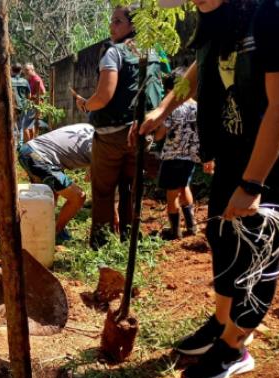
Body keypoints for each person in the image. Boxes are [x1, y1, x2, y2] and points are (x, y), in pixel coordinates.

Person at [139, 0, 279, 378]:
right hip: (240, 144)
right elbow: (202, 64)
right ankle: (221, 321)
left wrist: (251, 185)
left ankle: (234, 347)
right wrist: (163, 109)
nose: (193, 3)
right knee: (219, 233)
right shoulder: (224, 13)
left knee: (255, 253)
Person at [72, 5, 164, 249]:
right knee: (130, 189)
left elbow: (103, 97)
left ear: (132, 26)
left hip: (112, 134)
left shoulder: (114, 53)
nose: (111, 26)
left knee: (103, 191)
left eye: (117, 21)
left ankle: (101, 244)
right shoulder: (153, 52)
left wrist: (85, 105)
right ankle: (129, 238)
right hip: (141, 132)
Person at [152, 67, 205, 240]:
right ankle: (192, 226)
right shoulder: (196, 106)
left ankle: (175, 231)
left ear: (170, 90)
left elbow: (160, 134)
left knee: (172, 192)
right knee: (185, 187)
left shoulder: (172, 108)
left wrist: (154, 132)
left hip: (172, 156)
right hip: (190, 156)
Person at [18, 123, 93, 243]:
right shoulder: (99, 145)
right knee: (78, 197)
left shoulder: (88, 129)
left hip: (30, 150)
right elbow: (95, 181)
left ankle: (36, 228)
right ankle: (53, 234)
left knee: (49, 198)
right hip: (39, 157)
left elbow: (89, 176)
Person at [22, 63, 46, 141]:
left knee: (25, 127)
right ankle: (31, 146)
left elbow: (43, 93)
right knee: (30, 127)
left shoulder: (36, 79)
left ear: (32, 70)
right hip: (31, 105)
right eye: (24, 70)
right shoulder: (30, 79)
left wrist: (32, 98)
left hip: (34, 105)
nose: (25, 72)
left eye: (27, 70)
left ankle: (26, 146)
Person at [11, 64, 32, 147]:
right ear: (21, 71)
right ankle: (20, 146)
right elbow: (29, 96)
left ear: (12, 70)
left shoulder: (9, 81)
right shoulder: (25, 81)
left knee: (13, 127)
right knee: (21, 127)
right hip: (23, 107)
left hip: (12, 107)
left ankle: (14, 146)